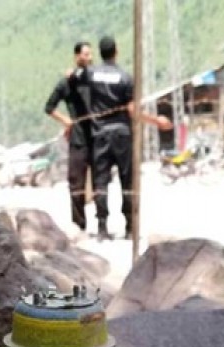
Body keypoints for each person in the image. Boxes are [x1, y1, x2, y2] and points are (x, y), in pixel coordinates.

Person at [73, 36, 172, 240]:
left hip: (99, 134)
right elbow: (132, 110)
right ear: (116, 51)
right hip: (122, 133)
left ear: (99, 53)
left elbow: (76, 75)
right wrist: (156, 121)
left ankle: (102, 228)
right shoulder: (125, 77)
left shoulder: (91, 74)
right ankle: (129, 227)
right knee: (127, 180)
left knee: (101, 181)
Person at [44, 41, 94, 232]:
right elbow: (49, 107)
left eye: (90, 55)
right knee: (76, 183)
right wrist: (66, 121)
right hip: (78, 138)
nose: (89, 58)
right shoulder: (67, 83)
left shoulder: (95, 80)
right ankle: (79, 225)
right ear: (77, 57)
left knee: (99, 183)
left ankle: (102, 223)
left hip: (97, 137)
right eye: (85, 55)